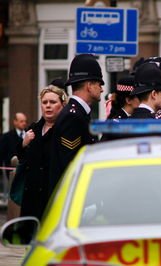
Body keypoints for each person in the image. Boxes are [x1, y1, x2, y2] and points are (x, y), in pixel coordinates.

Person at [48, 53, 104, 197]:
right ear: (89, 86)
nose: (102, 89)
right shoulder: (73, 117)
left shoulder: (79, 113)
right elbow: (71, 165)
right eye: (99, 84)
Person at [17, 86, 67, 220]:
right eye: (45, 103)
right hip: (31, 198)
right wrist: (24, 143)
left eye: (53, 102)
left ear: (63, 105)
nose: (48, 106)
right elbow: (21, 158)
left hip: (52, 195)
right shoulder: (34, 129)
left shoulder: (64, 130)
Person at [0, 112, 27, 177]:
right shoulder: (6, 137)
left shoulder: (29, 134)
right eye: (21, 121)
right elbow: (1, 155)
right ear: (15, 122)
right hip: (11, 171)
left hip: (26, 171)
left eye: (25, 121)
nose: (24, 123)